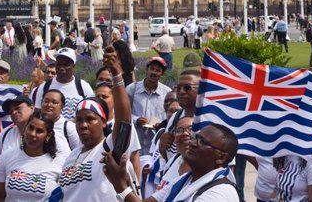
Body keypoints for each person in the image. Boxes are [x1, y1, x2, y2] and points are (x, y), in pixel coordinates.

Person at [58, 47, 136, 201]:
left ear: (104, 122)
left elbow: (124, 122)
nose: (83, 125)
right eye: (79, 120)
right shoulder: (71, 156)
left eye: (90, 119)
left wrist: (116, 75)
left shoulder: (109, 149)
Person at [103, 123, 240, 202]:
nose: (192, 143)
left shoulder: (220, 193)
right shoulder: (183, 181)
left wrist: (121, 185)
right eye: (195, 138)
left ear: (221, 158)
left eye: (202, 142)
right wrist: (120, 182)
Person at [0, 111, 64, 201]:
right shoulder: (7, 156)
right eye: (30, 128)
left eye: (39, 131)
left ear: (48, 135)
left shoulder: (59, 163)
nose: (32, 134)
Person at [30, 48, 94, 120]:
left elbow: (91, 114)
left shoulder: (84, 87)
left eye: (66, 65)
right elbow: (37, 113)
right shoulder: (44, 87)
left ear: (74, 66)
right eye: (59, 64)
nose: (62, 68)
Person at [127, 57, 172, 155]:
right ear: (147, 70)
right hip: (135, 146)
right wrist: (137, 120)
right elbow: (123, 113)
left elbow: (171, 117)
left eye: (158, 70)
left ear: (162, 74)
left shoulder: (167, 93)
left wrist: (161, 126)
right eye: (152, 69)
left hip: (155, 147)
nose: (154, 72)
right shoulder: (132, 89)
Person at [0, 94, 35, 160]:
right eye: (11, 111)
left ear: (32, 108)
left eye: (18, 108)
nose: (14, 112)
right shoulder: (7, 132)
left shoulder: (45, 132)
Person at [39, 89, 81, 158]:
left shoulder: (69, 128)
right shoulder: (33, 124)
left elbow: (79, 152)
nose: (49, 105)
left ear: (62, 106)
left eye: (54, 102)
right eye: (46, 101)